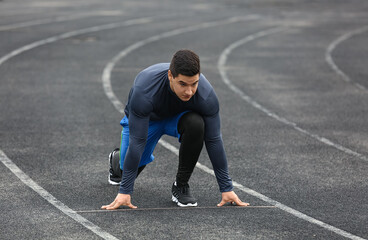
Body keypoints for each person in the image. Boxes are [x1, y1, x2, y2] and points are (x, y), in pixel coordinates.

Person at [101, 49, 249, 209]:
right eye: (183, 84)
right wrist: (125, 191)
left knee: (196, 124)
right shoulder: (145, 91)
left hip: (178, 119)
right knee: (126, 173)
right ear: (170, 76)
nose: (189, 91)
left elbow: (213, 140)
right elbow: (138, 142)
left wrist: (226, 188)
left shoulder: (206, 96)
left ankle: (181, 185)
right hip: (148, 120)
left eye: (194, 84)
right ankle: (116, 160)